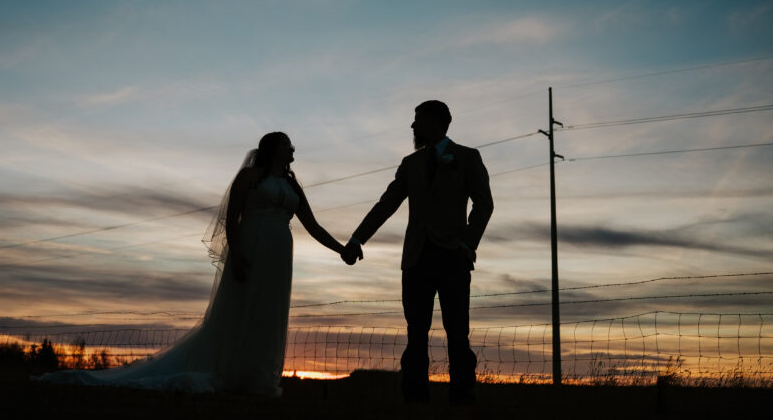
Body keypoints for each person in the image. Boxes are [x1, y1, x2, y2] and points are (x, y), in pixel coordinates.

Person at [37, 132, 347, 396]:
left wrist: (341, 250)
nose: (292, 150)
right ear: (272, 149)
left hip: (280, 254)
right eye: (286, 145)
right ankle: (232, 372)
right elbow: (232, 219)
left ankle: (258, 378)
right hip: (252, 246)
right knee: (242, 310)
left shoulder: (293, 186)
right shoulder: (249, 178)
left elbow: (313, 226)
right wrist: (236, 255)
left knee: (270, 312)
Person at [342, 101, 493, 403]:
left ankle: (462, 397)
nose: (412, 126)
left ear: (437, 122)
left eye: (418, 120)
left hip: (453, 256)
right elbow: (386, 204)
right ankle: (414, 397)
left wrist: (466, 245)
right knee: (416, 332)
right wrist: (358, 239)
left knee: (457, 332)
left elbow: (484, 204)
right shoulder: (410, 164)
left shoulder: (467, 157)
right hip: (416, 258)